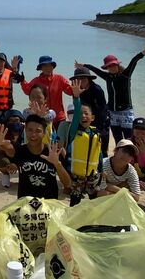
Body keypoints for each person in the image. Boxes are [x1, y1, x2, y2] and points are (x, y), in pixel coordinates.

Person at [80, 41, 145, 143]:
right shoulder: (107, 77)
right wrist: (84, 65)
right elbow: (96, 70)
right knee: (118, 140)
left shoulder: (125, 75)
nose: (112, 68)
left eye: (113, 65)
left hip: (126, 112)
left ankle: (132, 153)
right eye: (109, 66)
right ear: (106, 68)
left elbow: (134, 61)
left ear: (117, 65)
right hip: (112, 112)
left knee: (129, 139)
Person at [0, 116, 72, 200]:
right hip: (25, 203)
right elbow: (7, 147)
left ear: (44, 132)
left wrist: (57, 164)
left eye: (38, 131)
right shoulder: (20, 151)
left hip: (48, 203)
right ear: (25, 130)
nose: (33, 135)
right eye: (30, 130)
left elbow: (67, 184)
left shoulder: (53, 153)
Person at [56, 73, 102, 206]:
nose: (83, 116)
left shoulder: (96, 133)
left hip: (92, 175)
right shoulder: (74, 131)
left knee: (94, 202)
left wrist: (101, 171)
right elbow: (76, 113)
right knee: (75, 203)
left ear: (92, 117)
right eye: (80, 114)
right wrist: (76, 97)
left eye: (86, 114)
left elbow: (99, 155)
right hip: (76, 177)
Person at [20, 56, 71, 130]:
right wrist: (22, 81)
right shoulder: (36, 81)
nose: (48, 68)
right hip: (43, 118)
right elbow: (27, 91)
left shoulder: (59, 79)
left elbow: (69, 91)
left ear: (53, 67)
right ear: (41, 68)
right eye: (45, 66)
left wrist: (78, 87)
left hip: (59, 119)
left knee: (60, 138)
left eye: (50, 65)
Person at [74, 69, 110, 158]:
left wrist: (98, 127)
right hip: (84, 121)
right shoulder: (76, 90)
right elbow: (77, 108)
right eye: (79, 78)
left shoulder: (97, 90)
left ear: (89, 79)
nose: (81, 80)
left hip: (100, 122)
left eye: (84, 78)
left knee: (102, 150)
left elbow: (103, 109)